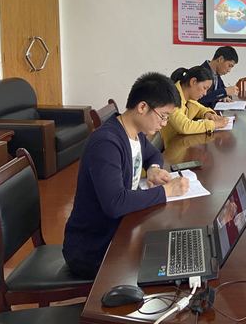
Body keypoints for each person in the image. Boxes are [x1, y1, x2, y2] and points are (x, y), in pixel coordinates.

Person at [63, 72, 190, 279]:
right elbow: (115, 203)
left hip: (120, 230)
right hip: (93, 248)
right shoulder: (107, 143)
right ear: (142, 107)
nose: (165, 123)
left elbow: (154, 155)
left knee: (172, 248)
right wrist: (166, 191)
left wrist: (153, 168)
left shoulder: (134, 133)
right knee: (166, 266)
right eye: (163, 116)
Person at [161, 66, 229, 144]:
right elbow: (184, 126)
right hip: (169, 147)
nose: (205, 93)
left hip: (179, 142)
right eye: (204, 88)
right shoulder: (171, 98)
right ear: (193, 82)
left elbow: (200, 108)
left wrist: (208, 114)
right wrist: (214, 124)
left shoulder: (187, 96)